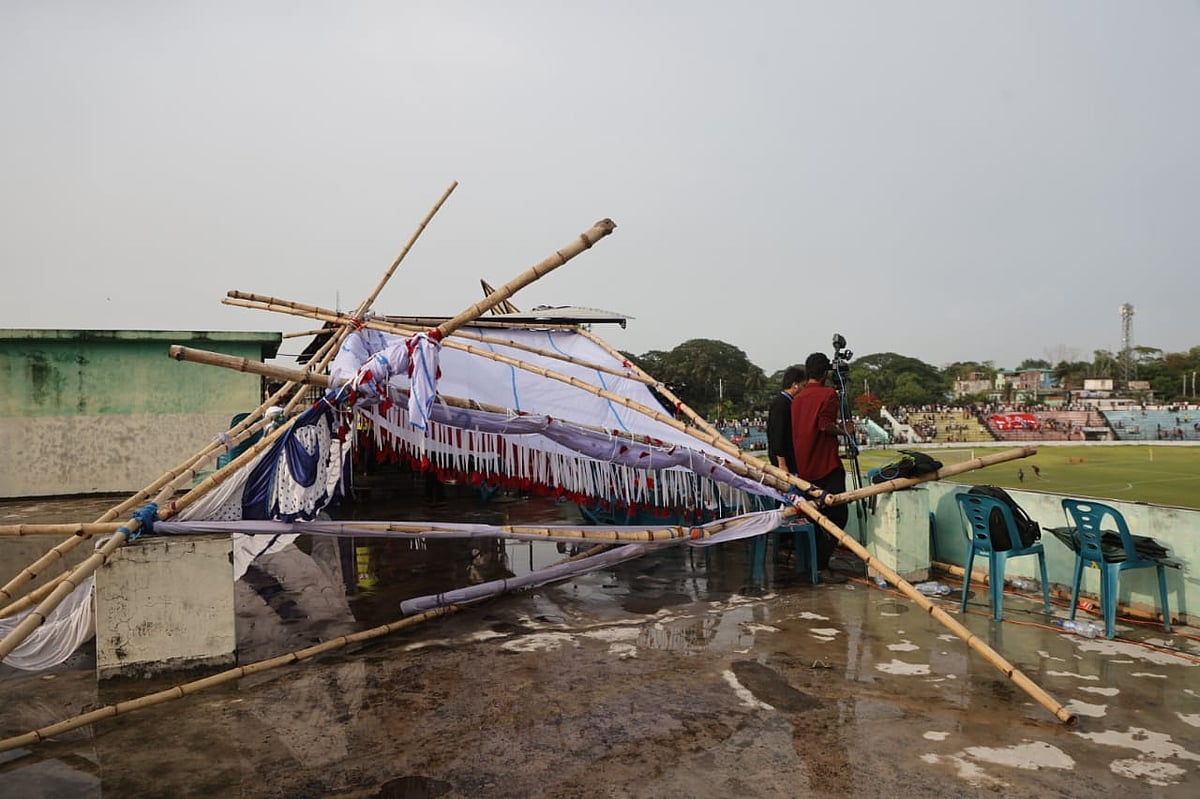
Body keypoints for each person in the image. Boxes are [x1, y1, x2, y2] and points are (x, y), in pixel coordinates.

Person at [790, 352, 849, 585]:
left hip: (804, 468)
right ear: (826, 373)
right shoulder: (828, 394)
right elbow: (825, 425)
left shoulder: (798, 398)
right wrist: (845, 431)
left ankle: (813, 563)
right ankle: (822, 565)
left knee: (813, 517)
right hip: (825, 465)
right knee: (838, 515)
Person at [766, 365, 805, 474]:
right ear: (795, 385)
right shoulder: (781, 404)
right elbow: (777, 435)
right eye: (803, 385)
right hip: (784, 462)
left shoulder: (789, 402)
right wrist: (782, 463)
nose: (804, 389)